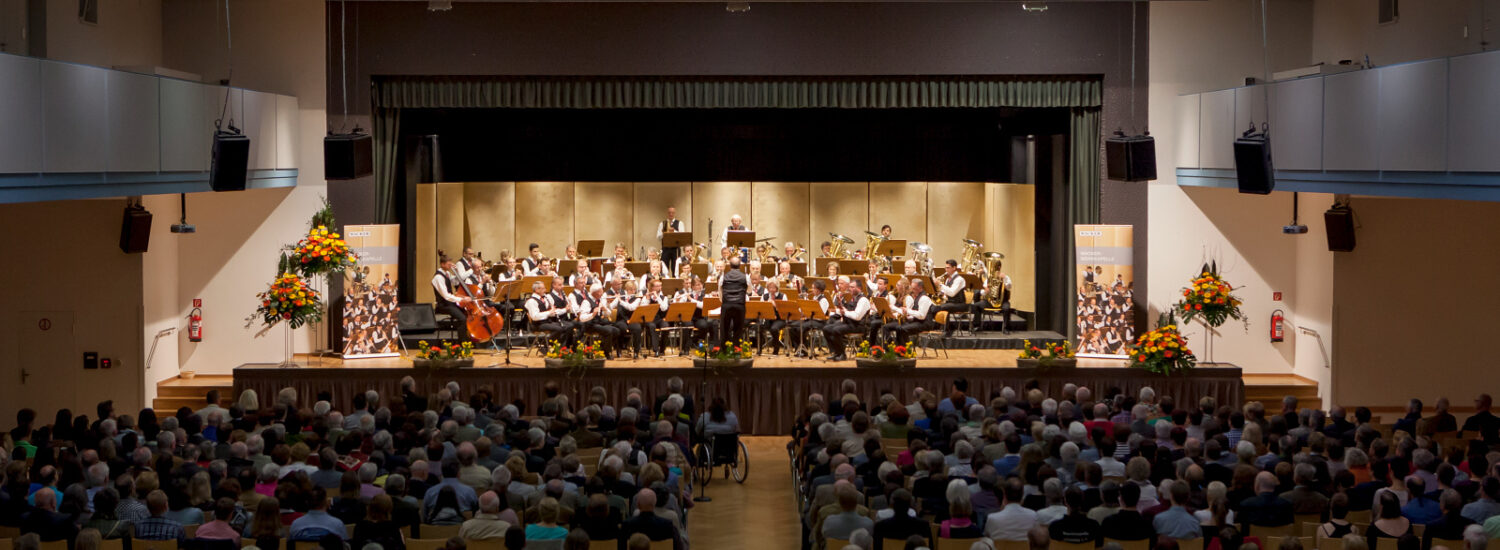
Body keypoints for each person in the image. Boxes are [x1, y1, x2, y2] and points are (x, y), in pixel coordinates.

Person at [432, 252, 472, 328]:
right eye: (449, 264)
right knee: (462, 319)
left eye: (451, 264)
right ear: (442, 264)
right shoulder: (438, 277)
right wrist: (461, 299)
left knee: (467, 314)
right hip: (443, 305)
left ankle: (468, 337)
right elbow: (446, 296)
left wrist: (456, 271)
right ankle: (462, 340)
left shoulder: (447, 273)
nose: (450, 266)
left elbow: (456, 282)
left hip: (450, 303)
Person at [720, 256, 749, 344]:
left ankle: (724, 351)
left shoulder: (723, 277)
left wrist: (724, 302)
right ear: (740, 265)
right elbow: (750, 291)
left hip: (726, 305)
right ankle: (736, 351)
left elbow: (720, 292)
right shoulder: (745, 277)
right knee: (738, 329)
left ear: (730, 265)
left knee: (724, 329)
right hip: (739, 305)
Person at [657, 207, 685, 272]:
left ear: (675, 213)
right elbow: (658, 237)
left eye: (672, 213)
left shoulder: (680, 223)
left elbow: (682, 236)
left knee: (675, 268)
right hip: (665, 249)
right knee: (664, 268)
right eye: (669, 212)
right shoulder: (662, 223)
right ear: (667, 213)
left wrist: (674, 231)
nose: (671, 214)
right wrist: (663, 233)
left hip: (676, 249)